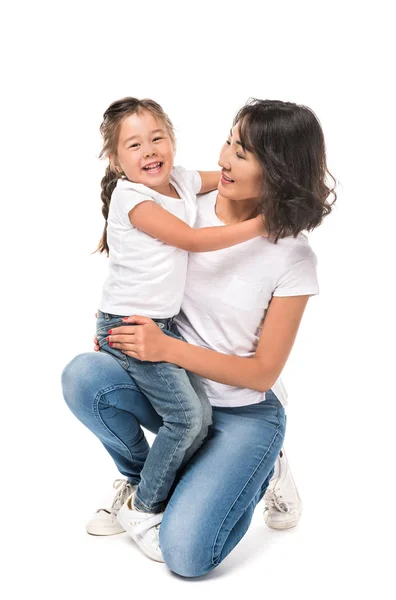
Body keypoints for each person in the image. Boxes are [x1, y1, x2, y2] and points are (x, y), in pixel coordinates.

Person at [62, 98, 335, 576]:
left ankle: (264, 466)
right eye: (229, 140)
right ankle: (143, 490)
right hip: (177, 389)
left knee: (187, 557)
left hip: (244, 410)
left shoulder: (293, 258)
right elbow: (140, 273)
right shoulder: (179, 203)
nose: (225, 159)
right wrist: (122, 328)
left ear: (278, 170)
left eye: (243, 153)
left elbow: (263, 371)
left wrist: (166, 347)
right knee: (85, 376)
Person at [93, 97, 267, 539]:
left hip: (162, 327)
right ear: (116, 160)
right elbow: (190, 239)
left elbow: (229, 184)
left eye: (157, 138)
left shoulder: (182, 181)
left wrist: (272, 188)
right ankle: (144, 504)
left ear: (172, 140)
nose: (149, 150)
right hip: (130, 327)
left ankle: (162, 489)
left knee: (201, 417)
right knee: (188, 418)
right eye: (134, 145)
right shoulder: (132, 195)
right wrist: (265, 223)